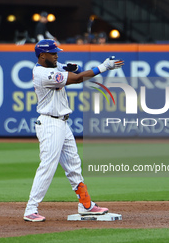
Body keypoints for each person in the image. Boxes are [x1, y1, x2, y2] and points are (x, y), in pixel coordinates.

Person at [23, 39, 124, 222]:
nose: (56, 55)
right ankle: (31, 209)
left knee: (73, 164)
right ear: (42, 55)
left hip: (62, 123)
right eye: (53, 53)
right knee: (48, 166)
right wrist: (102, 67)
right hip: (50, 124)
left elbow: (70, 69)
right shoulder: (43, 74)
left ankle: (86, 205)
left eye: (56, 52)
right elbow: (77, 79)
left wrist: (71, 66)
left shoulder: (52, 66)